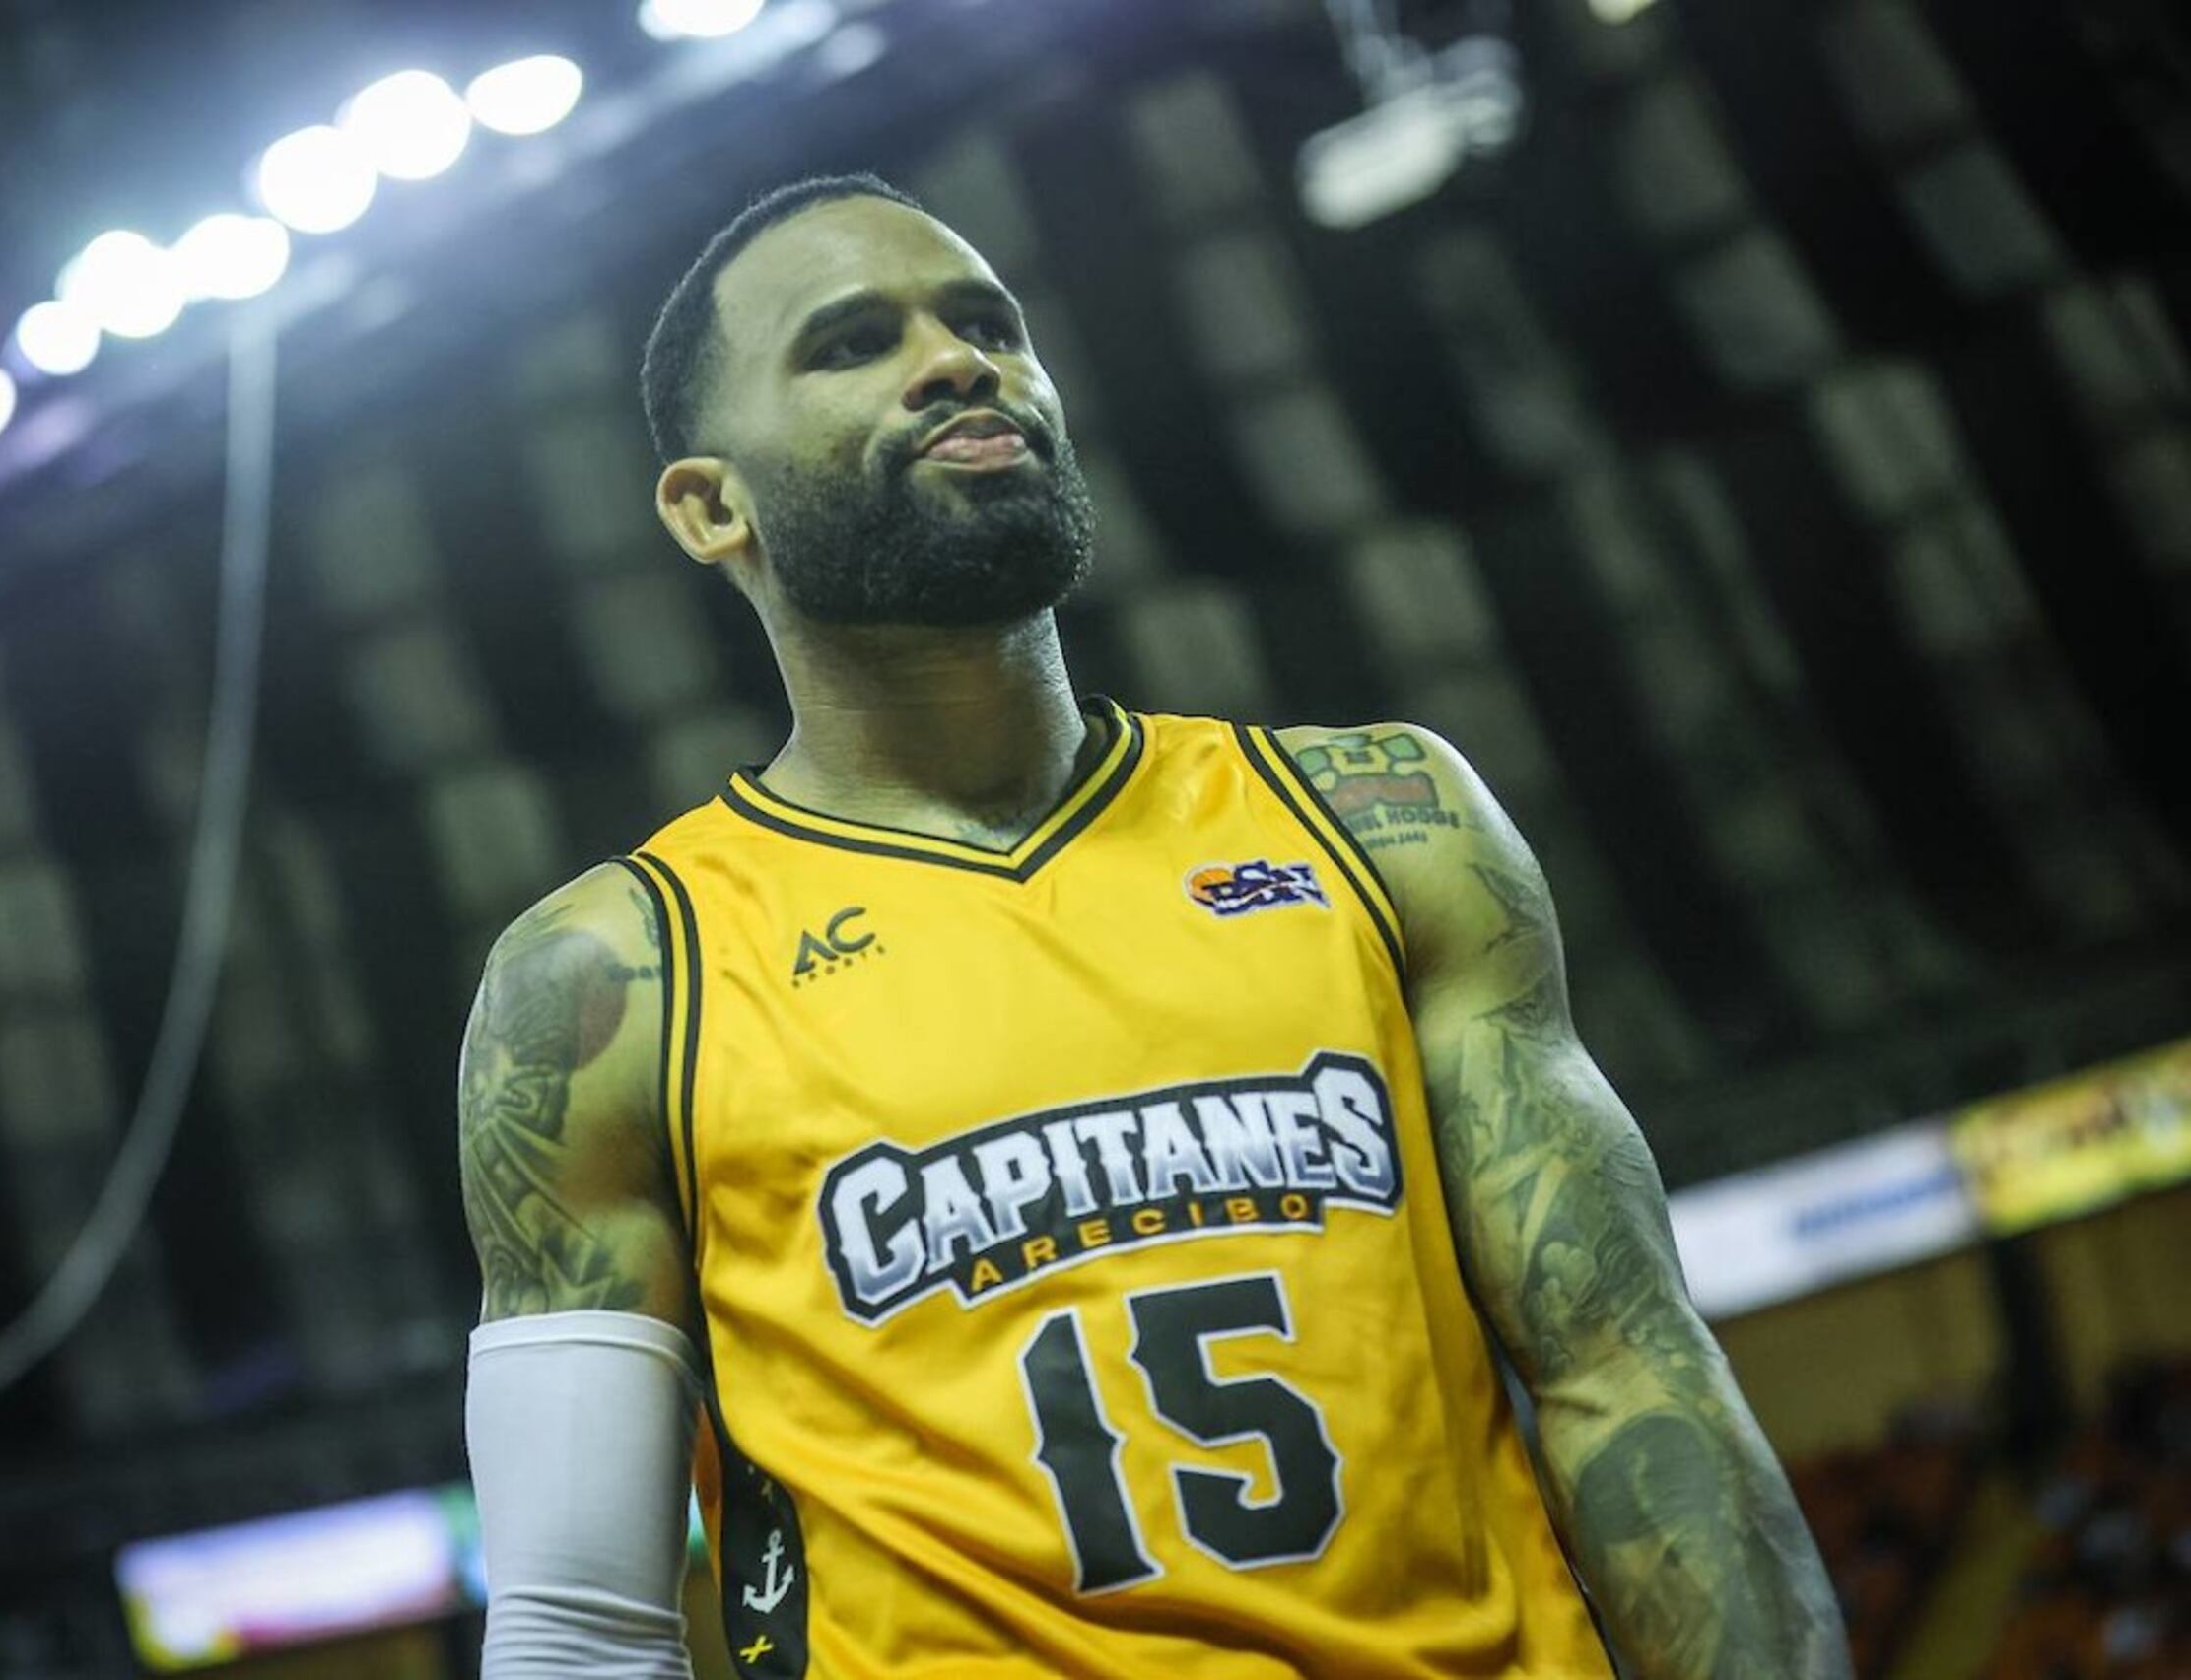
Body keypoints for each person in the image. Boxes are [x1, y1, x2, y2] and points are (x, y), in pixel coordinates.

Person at [458, 172, 1847, 1679]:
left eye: (986, 321)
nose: (955, 360)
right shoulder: (611, 979)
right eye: (854, 342)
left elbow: (1627, 1378)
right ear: (710, 504)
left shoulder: (1379, 821)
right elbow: (581, 1625)